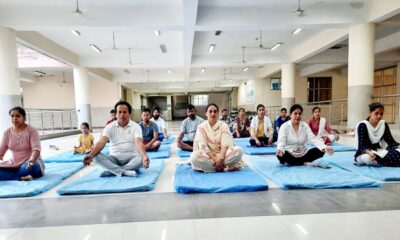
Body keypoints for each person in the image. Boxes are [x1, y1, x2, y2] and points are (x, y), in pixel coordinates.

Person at [83, 101, 150, 177]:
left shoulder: (136, 126)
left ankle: (112, 171)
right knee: (95, 156)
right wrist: (91, 155)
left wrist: (144, 157)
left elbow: (138, 142)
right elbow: (101, 142)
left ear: (129, 114)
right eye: (119, 112)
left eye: (124, 112)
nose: (122, 114)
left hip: (132, 158)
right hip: (113, 159)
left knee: (142, 158)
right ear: (116, 114)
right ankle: (123, 172)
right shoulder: (109, 126)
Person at [190, 103, 243, 172]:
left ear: (218, 113)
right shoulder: (201, 127)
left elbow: (226, 144)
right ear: (206, 113)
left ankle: (212, 168)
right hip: (208, 156)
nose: (213, 114)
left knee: (239, 150)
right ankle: (225, 168)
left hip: (223, 155)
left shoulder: (223, 126)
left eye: (215, 111)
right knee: (194, 157)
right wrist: (215, 160)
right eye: (210, 111)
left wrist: (220, 158)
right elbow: (203, 146)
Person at [0, 106, 45, 181]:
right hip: (13, 164)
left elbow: (36, 149)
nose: (14, 118)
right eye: (12, 116)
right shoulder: (7, 132)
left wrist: (32, 159)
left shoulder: (32, 131)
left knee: (31, 167)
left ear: (24, 118)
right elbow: (1, 151)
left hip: (30, 162)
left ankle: (14, 175)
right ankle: (21, 177)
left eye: (18, 116)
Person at [354, 102, 400, 167]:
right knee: (368, 159)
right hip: (365, 153)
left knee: (398, 151)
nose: (379, 116)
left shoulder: (383, 124)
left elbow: (391, 142)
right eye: (376, 113)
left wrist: (398, 145)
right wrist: (370, 153)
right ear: (370, 112)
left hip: (379, 151)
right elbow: (361, 146)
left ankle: (382, 161)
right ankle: (390, 161)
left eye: (381, 114)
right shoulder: (363, 125)